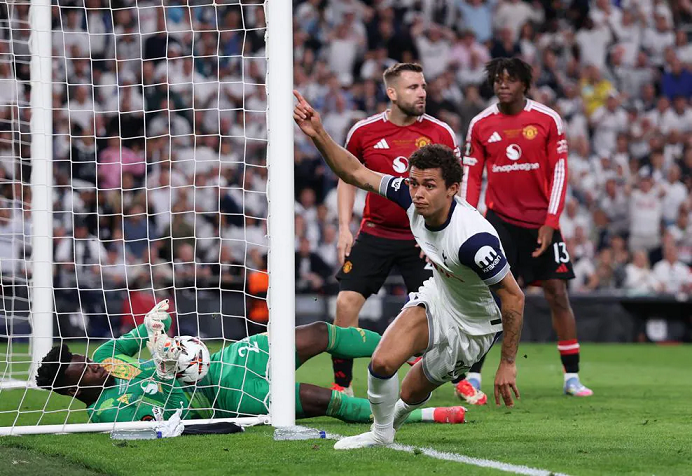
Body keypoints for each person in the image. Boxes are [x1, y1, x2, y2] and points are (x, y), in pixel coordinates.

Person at [293, 91, 524, 450]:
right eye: (414, 183)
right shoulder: (408, 194)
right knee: (383, 362)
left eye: (429, 186)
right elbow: (355, 172)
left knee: (410, 391)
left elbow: (513, 296)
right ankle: (380, 433)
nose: (417, 193)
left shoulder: (474, 242)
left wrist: (507, 362)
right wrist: (319, 134)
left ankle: (395, 420)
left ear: (452, 189)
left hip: (474, 327)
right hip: (439, 297)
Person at [36, 300, 466, 425]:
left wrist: (154, 327)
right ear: (71, 389)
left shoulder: (108, 358)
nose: (93, 365)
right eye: (82, 369)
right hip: (220, 397)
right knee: (321, 400)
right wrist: (167, 373)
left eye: (85, 359)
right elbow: (162, 421)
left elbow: (150, 330)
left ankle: (415, 350)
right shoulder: (104, 413)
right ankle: (423, 414)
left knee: (316, 333)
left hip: (226, 360)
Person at [459, 57, 593, 400]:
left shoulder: (547, 119)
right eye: (497, 79)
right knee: (491, 296)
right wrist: (467, 220)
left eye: (510, 79)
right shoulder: (480, 124)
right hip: (500, 222)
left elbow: (559, 171)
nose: (503, 84)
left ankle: (572, 376)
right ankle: (474, 375)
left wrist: (551, 222)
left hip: (540, 223)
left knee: (557, 293)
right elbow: (472, 177)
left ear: (525, 84)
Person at [332, 62, 459, 396]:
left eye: (423, 86)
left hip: (423, 238)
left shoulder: (441, 133)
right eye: (413, 87)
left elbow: (454, 189)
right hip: (375, 232)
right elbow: (347, 177)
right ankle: (342, 385)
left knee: (440, 313)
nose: (422, 93)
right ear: (392, 92)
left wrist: (441, 234)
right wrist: (344, 227)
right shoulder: (363, 131)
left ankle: (456, 377)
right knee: (345, 304)